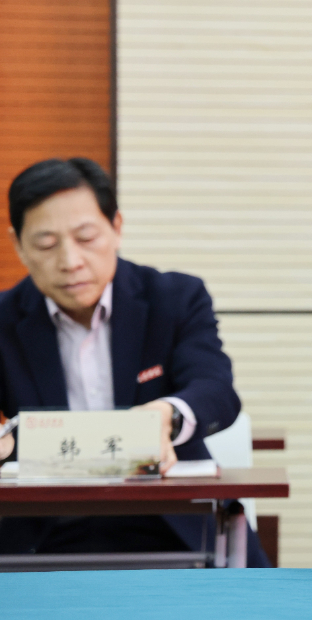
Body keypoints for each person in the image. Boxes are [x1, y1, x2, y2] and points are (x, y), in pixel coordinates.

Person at [0, 158, 268, 566]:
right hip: (44, 524)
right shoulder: (4, 318)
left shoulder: (175, 298)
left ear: (117, 227)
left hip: (170, 515)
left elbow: (215, 389)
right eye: (46, 244)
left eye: (86, 237)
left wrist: (166, 416)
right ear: (18, 244)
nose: (70, 261)